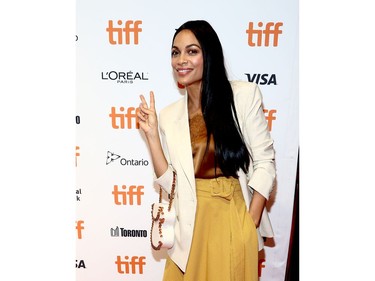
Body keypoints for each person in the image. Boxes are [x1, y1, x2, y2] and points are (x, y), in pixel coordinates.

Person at [138, 20, 276, 281]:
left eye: (192, 51)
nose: (181, 60)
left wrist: (251, 221)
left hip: (231, 217)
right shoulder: (168, 116)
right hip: (188, 223)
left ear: (208, 55)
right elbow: (170, 185)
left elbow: (265, 162)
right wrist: (152, 136)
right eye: (175, 52)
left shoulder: (243, 96)